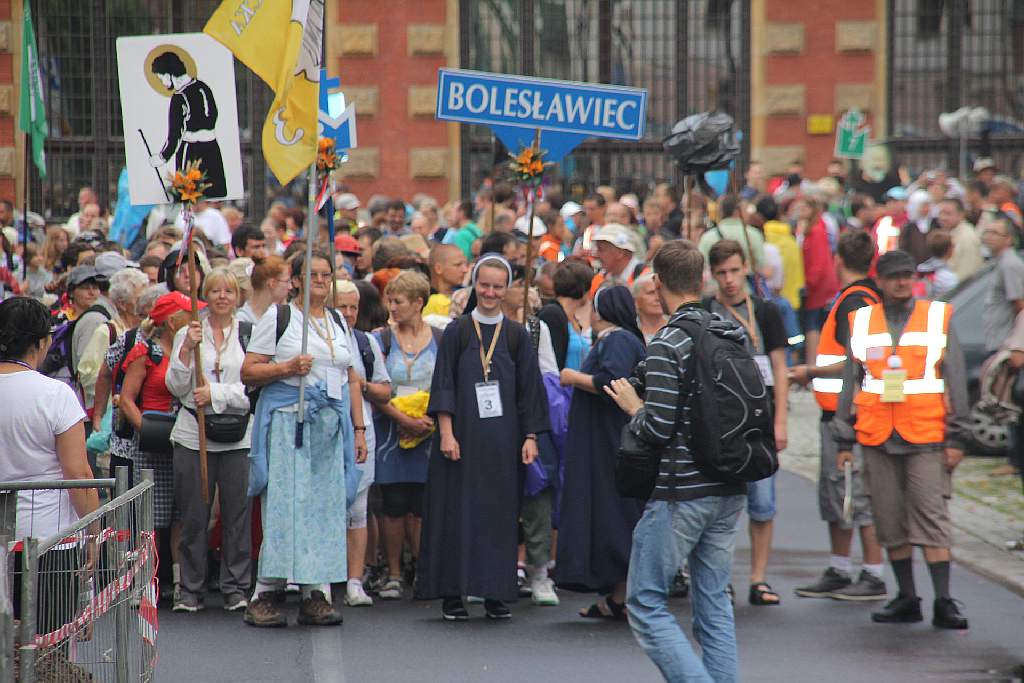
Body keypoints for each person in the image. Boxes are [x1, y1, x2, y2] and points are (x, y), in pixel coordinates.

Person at [602, 241, 747, 681]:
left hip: (680, 492)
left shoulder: (668, 342)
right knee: (714, 605)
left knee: (644, 604)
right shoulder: (730, 332)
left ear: (658, 283)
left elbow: (657, 427)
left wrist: (632, 406)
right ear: (702, 280)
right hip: (730, 486)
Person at [833, 249, 970, 630]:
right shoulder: (861, 321)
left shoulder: (937, 317)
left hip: (926, 434)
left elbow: (955, 378)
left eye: (908, 275)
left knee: (932, 517)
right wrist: (844, 440)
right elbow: (850, 382)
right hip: (877, 435)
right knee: (888, 519)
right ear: (880, 281)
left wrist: (957, 438)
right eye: (895, 276)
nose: (902, 282)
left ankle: (944, 600)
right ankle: (907, 596)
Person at [417, 255, 550, 620]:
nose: (490, 293)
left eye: (497, 286)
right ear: (474, 285)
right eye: (484, 285)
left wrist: (530, 437)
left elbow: (529, 391)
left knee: (498, 516)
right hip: (461, 439)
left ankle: (494, 591)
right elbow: (442, 384)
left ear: (507, 290)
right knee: (455, 514)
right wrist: (446, 432)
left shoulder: (516, 335)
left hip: (503, 442)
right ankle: (452, 595)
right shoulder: (457, 332)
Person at [241, 249, 367, 628]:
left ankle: (317, 592)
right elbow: (249, 371)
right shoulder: (279, 319)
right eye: (312, 275)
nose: (322, 281)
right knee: (285, 507)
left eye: (327, 275)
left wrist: (357, 429)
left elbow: (350, 378)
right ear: (295, 280)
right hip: (287, 424)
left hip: (329, 427)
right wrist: (286, 368)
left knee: (325, 512)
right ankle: (265, 592)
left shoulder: (335, 321)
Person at [788, 229, 887, 601]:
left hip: (847, 413)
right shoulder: (866, 296)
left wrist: (810, 372)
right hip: (842, 411)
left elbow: (858, 360)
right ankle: (840, 567)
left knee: (854, 491)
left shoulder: (853, 302)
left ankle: (872, 573)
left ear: (838, 261)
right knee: (838, 491)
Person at [0, 297, 100, 633]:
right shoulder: (56, 394)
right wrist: (93, 530)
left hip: (10, 535)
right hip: (48, 537)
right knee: (48, 642)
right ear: (42, 342)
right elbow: (78, 473)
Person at [705, 240, 789, 606]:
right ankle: (719, 577)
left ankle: (758, 578)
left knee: (763, 503)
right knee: (722, 505)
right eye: (721, 273)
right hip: (723, 423)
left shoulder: (766, 311)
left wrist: (781, 420)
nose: (729, 280)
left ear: (746, 270)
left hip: (761, 421)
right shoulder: (708, 312)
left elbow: (781, 368)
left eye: (735, 271)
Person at [165, 269, 253, 613]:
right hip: (193, 435)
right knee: (193, 514)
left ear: (237, 296)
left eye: (228, 291)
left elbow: (251, 388)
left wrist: (214, 393)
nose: (221, 297)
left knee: (236, 515)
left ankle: (235, 585)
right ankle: (189, 587)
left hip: (236, 437)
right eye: (214, 290)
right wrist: (186, 349)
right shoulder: (190, 332)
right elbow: (176, 385)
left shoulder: (248, 333)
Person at [556, 285, 646, 618]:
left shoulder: (618, 339)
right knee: (610, 514)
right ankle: (616, 595)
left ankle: (623, 594)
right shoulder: (619, 339)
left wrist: (572, 377)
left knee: (613, 514)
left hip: (610, 444)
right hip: (604, 442)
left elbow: (613, 382)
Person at [370, 271, 441, 601]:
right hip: (390, 430)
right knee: (394, 503)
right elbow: (374, 388)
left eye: (398, 301)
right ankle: (394, 572)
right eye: (389, 300)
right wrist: (401, 418)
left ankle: (423, 568)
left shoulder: (441, 338)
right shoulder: (381, 339)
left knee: (423, 503)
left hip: (429, 430)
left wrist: (430, 421)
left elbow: (447, 385)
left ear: (418, 303)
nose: (392, 307)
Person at [334, 280, 392, 606]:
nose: (349, 313)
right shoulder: (317, 338)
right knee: (326, 506)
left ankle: (355, 582)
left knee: (358, 507)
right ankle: (323, 579)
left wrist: (360, 385)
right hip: (327, 431)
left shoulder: (365, 341)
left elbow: (385, 389)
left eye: (353, 307)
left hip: (361, 429)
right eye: (342, 306)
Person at [148, 52, 227, 199]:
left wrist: (162, 157)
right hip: (212, 148)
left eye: (161, 78)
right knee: (213, 194)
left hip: (191, 151)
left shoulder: (179, 97)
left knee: (188, 197)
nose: (163, 83)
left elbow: (175, 134)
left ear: (168, 74)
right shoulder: (204, 87)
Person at [797, 195, 840, 368]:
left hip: (818, 287)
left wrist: (810, 283)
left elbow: (818, 260)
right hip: (819, 284)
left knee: (812, 324)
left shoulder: (815, 231)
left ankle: (812, 364)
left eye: (804, 208)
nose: (800, 211)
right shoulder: (813, 229)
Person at [536, 259, 593, 372]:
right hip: (558, 386)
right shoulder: (552, 314)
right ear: (584, 290)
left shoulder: (572, 318)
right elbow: (551, 362)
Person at [982, 213, 1024, 353]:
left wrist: (1017, 344)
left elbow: (1020, 306)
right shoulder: (998, 262)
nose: (989, 237)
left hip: (1006, 344)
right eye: (988, 232)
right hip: (997, 341)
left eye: (995, 233)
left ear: (1008, 239)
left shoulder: (1010, 264)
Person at [697, 193, 766, 271]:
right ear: (736, 211)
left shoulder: (707, 237)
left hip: (714, 282)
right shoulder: (754, 235)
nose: (748, 214)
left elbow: (702, 267)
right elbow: (762, 266)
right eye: (746, 209)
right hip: (745, 282)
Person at [934, 198, 982, 282]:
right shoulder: (951, 234)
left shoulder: (967, 237)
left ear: (961, 215)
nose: (943, 218)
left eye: (948, 214)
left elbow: (967, 274)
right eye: (941, 213)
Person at [237, 255, 290, 324]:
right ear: (272, 283)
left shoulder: (279, 314)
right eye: (287, 281)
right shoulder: (242, 320)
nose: (290, 287)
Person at [424, 244, 469, 319]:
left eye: (466, 264)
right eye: (458, 265)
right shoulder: (423, 299)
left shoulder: (465, 296)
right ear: (438, 268)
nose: (465, 270)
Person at [633, 273, 667, 343]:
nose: (658, 298)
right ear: (635, 301)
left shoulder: (676, 325)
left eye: (660, 292)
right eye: (651, 293)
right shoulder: (629, 331)